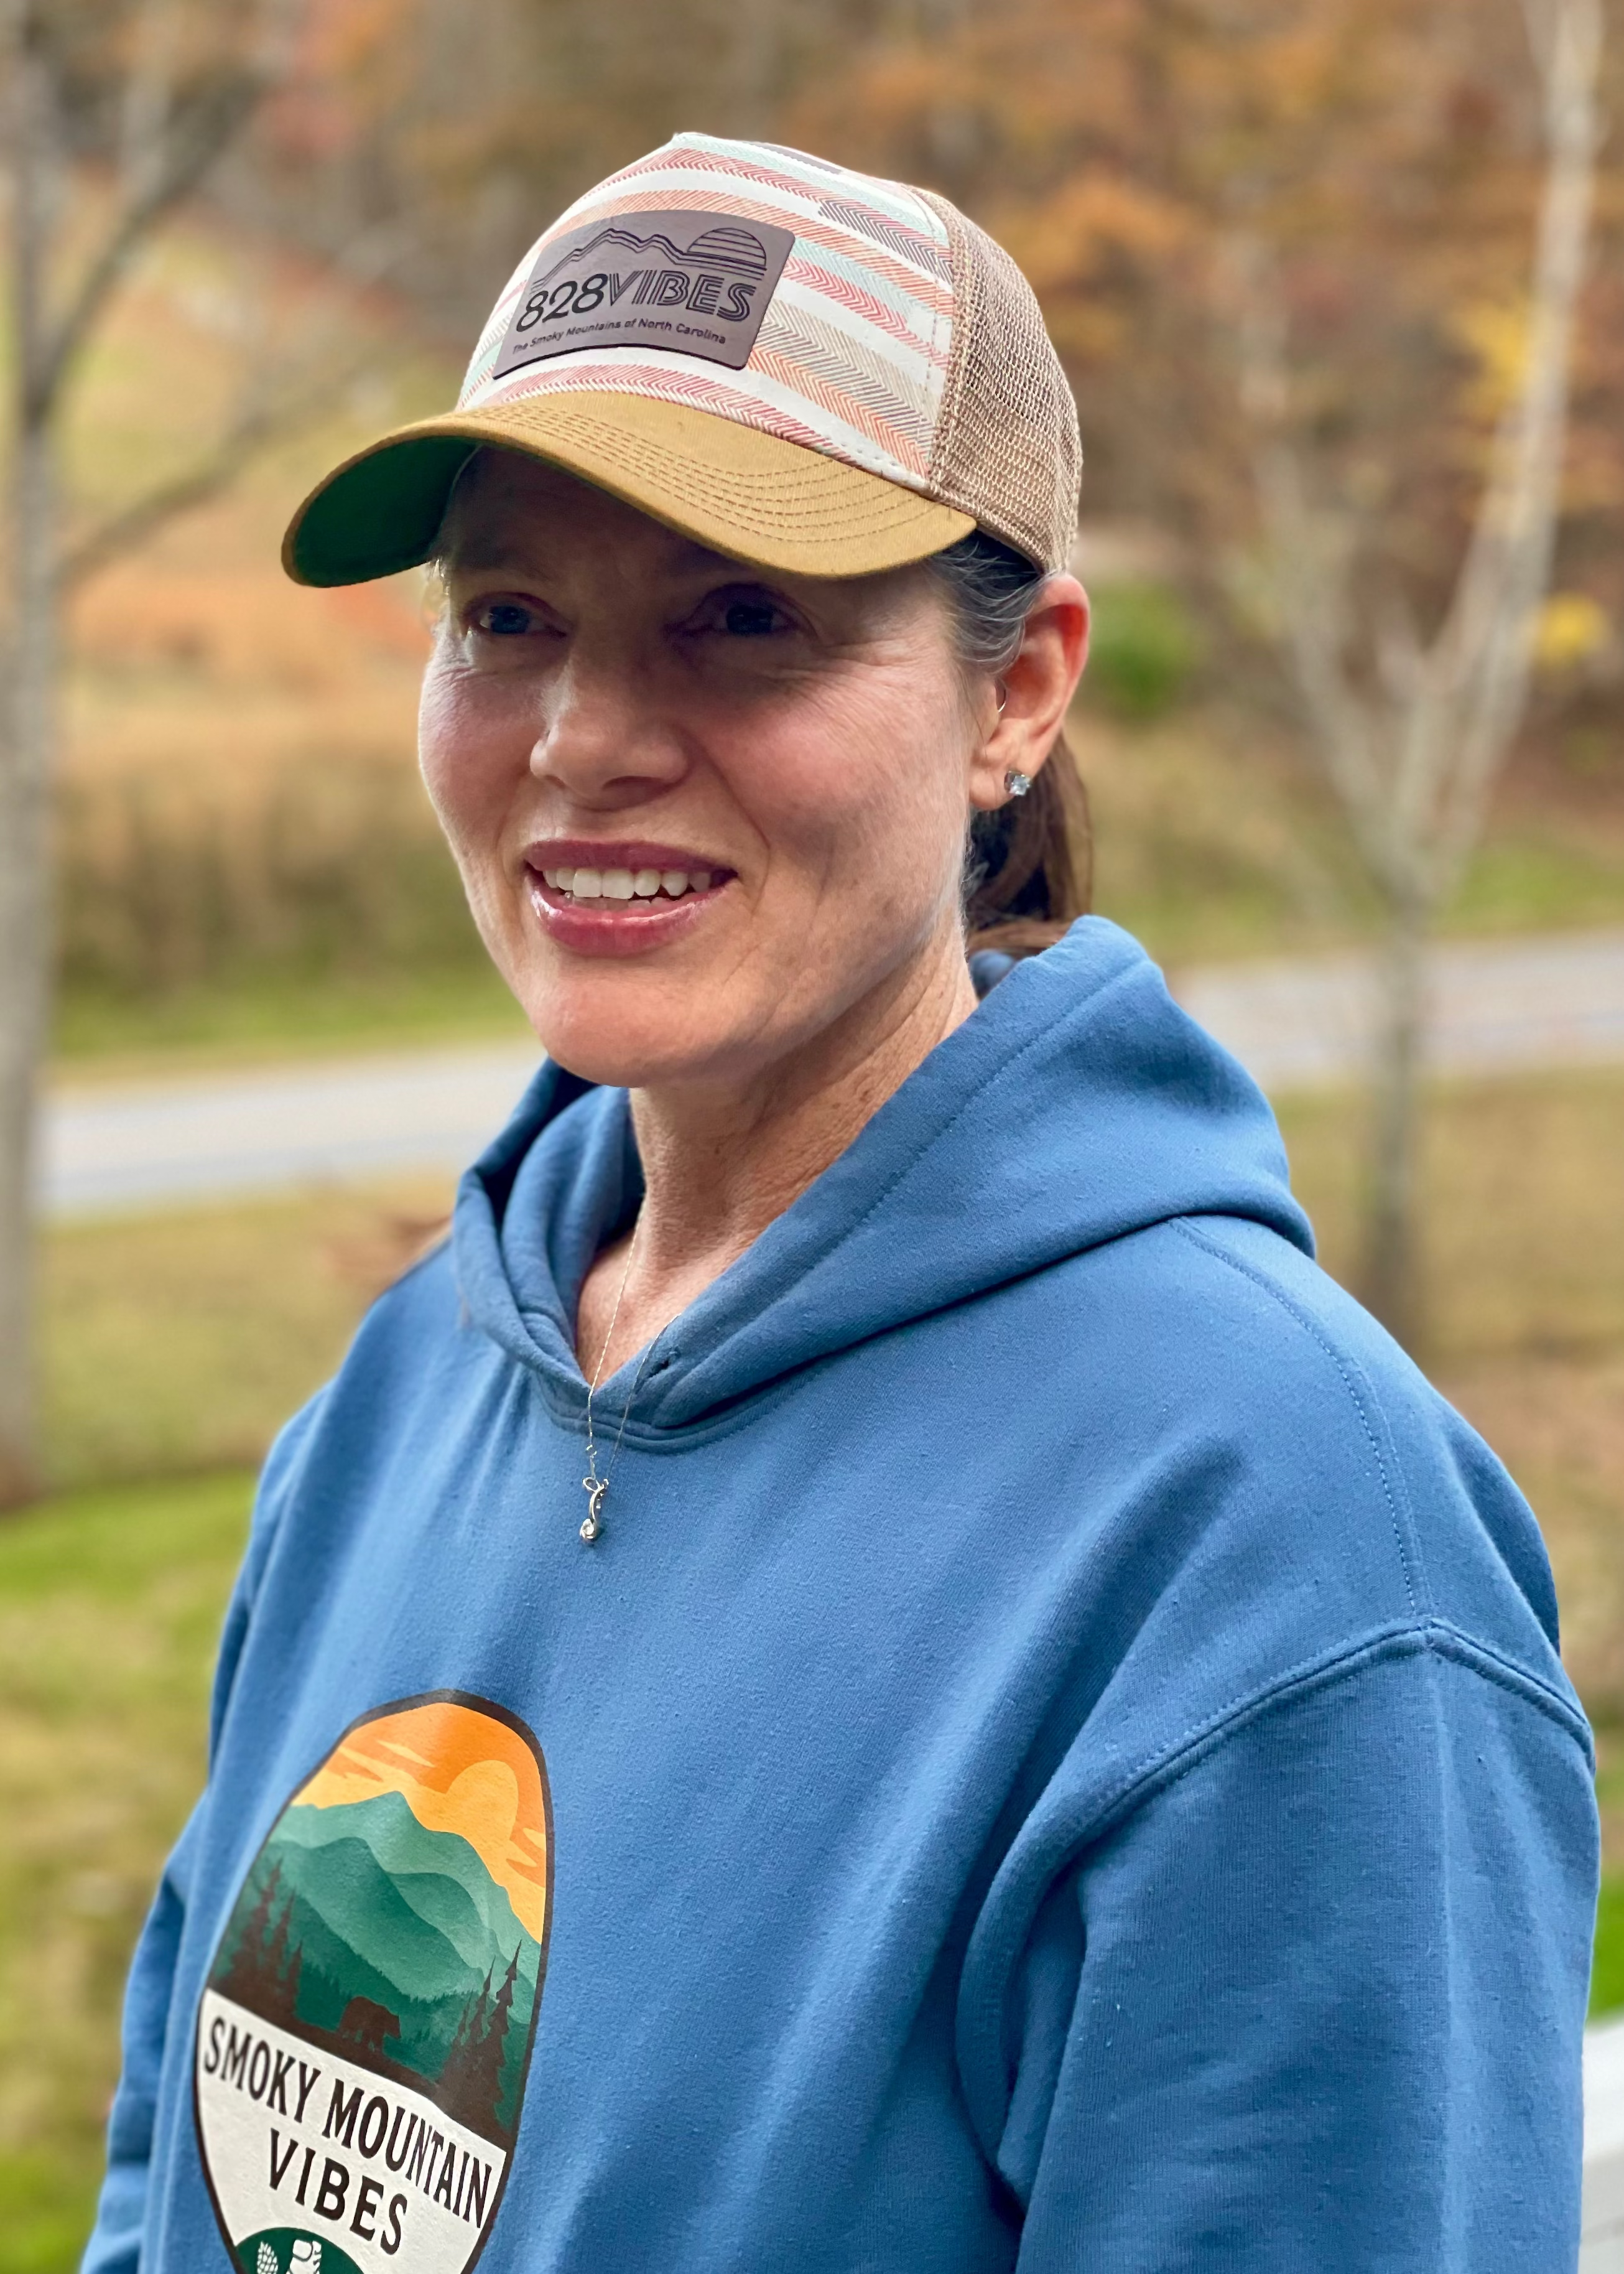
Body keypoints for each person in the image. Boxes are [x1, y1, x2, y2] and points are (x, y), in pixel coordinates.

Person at [85, 133, 1595, 2274]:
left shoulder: (1276, 1556)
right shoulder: (412, 1383)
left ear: (1021, 688)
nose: (586, 736)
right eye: (508, 616)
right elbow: (173, 2174)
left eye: (741, 620)